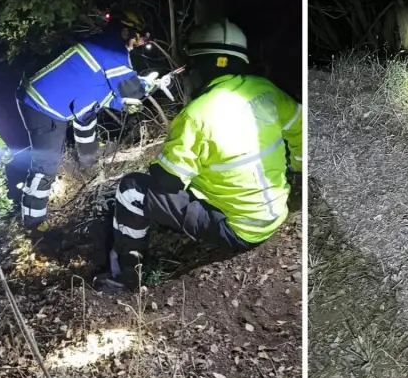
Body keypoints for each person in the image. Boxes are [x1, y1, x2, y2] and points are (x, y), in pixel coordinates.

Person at [93, 18, 303, 293]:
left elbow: (167, 183)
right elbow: (301, 130)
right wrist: (296, 168)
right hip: (276, 211)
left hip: (238, 229)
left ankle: (125, 274)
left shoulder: (195, 116)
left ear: (202, 64)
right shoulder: (265, 90)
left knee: (132, 190)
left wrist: (161, 164)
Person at [15, 9, 154, 231]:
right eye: (137, 37)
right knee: (47, 163)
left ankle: (88, 161)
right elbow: (133, 91)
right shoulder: (113, 50)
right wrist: (149, 83)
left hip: (58, 98)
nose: (138, 43)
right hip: (42, 105)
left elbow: (104, 94)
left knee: (87, 117)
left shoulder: (103, 44)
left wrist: (125, 101)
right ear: (126, 31)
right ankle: (33, 220)